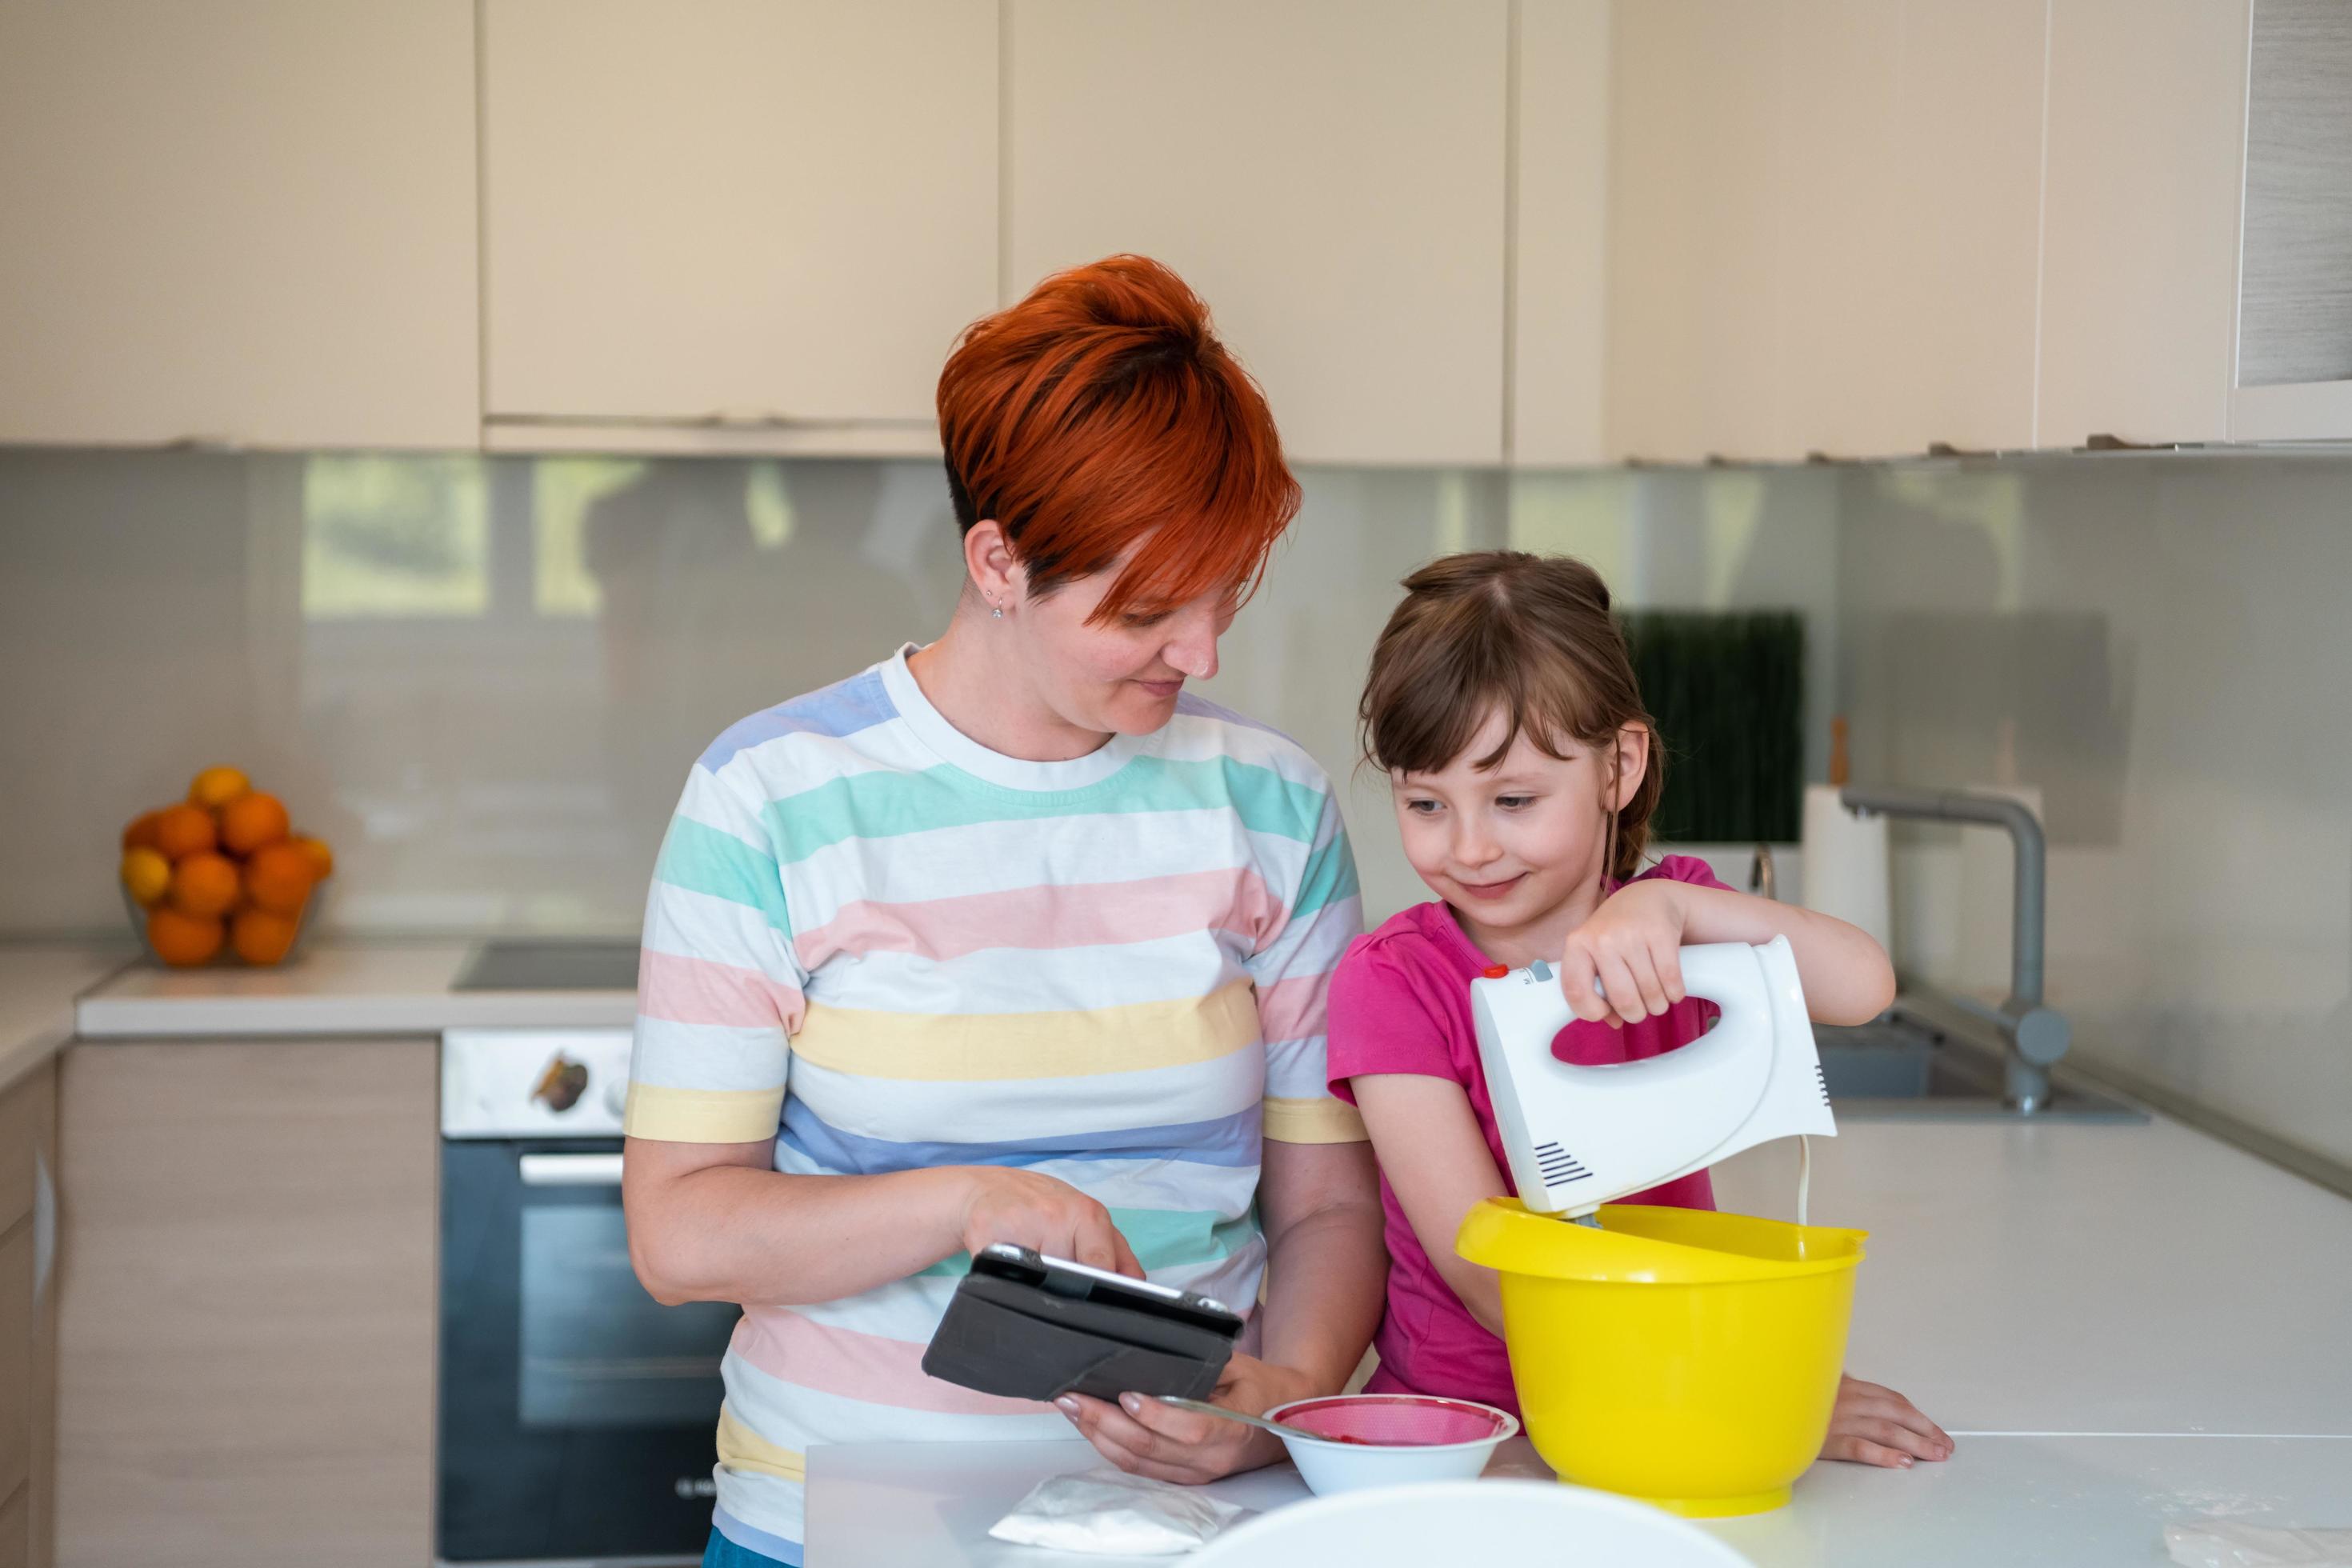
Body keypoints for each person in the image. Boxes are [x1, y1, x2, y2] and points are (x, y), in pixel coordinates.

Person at [620, 255, 1387, 1568]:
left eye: (1225, 595)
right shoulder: (772, 798)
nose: (1199, 652)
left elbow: (1327, 1208)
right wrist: (965, 1202)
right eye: (1146, 610)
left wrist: (1275, 1404)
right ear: (998, 561)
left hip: (1190, 1533)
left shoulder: (1274, 807)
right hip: (830, 1526)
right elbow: (682, 1230)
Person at [1326, 550, 1954, 1470]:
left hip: (1670, 1404)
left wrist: (1683, 907)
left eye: (1512, 800)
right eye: (1425, 801)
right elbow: (1483, 1268)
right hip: (1474, 1436)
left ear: (1618, 764)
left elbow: (1863, 985)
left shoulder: (1679, 926)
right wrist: (1740, 1385)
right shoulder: (1394, 981)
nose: (1467, 846)